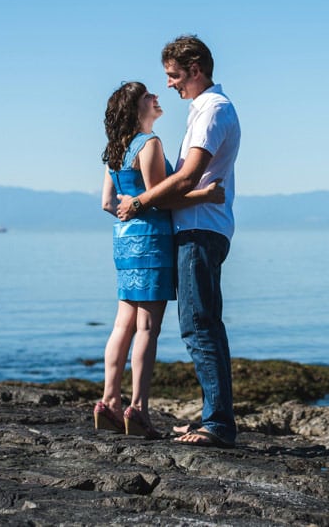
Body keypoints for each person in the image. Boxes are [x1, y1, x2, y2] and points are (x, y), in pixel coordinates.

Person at [116, 35, 241, 448]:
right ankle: (215, 418)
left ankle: (219, 425)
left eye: (173, 76)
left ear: (195, 69)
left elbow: (189, 177)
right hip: (199, 225)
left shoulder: (213, 111)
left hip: (201, 228)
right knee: (204, 324)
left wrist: (139, 202)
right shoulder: (201, 111)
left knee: (198, 325)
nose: (169, 84)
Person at [95, 81, 224, 436]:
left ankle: (108, 403)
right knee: (147, 328)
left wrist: (130, 214)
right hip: (152, 241)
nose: (156, 98)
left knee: (122, 324)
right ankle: (137, 409)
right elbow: (161, 199)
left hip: (124, 243)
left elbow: (108, 203)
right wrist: (206, 196)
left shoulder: (114, 149)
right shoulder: (148, 144)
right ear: (138, 109)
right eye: (148, 97)